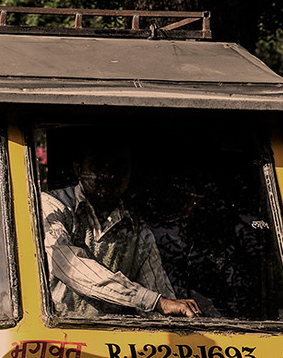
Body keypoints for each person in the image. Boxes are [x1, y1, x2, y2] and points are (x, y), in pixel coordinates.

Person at [40, 132, 199, 318]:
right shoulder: (51, 206)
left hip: (115, 341)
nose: (108, 174)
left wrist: (171, 309)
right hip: (57, 339)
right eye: (97, 165)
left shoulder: (137, 231)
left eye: (119, 166)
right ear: (78, 168)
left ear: (130, 172)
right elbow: (71, 266)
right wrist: (152, 301)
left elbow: (162, 300)